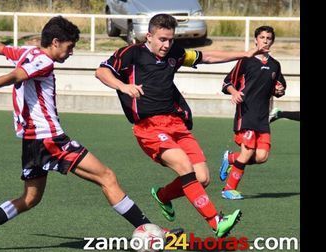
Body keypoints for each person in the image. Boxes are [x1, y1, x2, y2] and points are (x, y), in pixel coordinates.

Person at [0, 16, 181, 251]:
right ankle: (152, 231)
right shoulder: (43, 62)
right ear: (56, 42)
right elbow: (17, 76)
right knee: (107, 177)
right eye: (70, 47)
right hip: (51, 139)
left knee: (30, 199)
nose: (71, 52)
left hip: (31, 143)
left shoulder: (26, 52)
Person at [95, 14, 268, 237]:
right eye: (162, 39)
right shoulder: (132, 53)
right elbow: (102, 71)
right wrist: (123, 86)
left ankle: (163, 196)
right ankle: (216, 221)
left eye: (170, 40)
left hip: (176, 124)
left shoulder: (175, 53)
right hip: (149, 127)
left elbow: (206, 57)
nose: (166, 45)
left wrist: (243, 54)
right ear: (149, 36)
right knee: (185, 167)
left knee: (202, 178)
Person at [218, 26, 286, 200]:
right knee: (247, 152)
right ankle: (228, 190)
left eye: (268, 38)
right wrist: (234, 92)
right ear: (256, 40)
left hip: (263, 117)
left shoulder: (275, 65)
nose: (265, 40)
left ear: (272, 41)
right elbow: (227, 83)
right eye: (262, 37)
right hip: (246, 113)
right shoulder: (246, 60)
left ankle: (231, 158)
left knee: (262, 157)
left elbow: (279, 87)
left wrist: (279, 90)